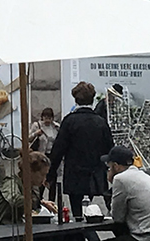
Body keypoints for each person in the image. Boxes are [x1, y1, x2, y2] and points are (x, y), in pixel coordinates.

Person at [49, 82, 114, 218]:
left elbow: (58, 149)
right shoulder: (101, 122)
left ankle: (78, 225)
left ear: (76, 99)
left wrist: (50, 173)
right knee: (95, 210)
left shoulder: (69, 121)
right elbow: (110, 148)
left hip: (75, 173)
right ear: (92, 99)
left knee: (76, 213)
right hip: (95, 174)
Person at [104, 146, 150, 241]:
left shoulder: (120, 179)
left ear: (115, 166)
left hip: (149, 238)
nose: (108, 170)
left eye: (109, 167)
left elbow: (117, 217)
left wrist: (111, 179)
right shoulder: (143, 175)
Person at [0, 150, 49, 226]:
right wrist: (33, 201)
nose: (44, 178)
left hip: (21, 225)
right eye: (42, 175)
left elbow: (35, 205)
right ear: (30, 171)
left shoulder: (34, 187)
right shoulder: (10, 182)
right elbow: (14, 199)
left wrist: (43, 203)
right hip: (4, 227)